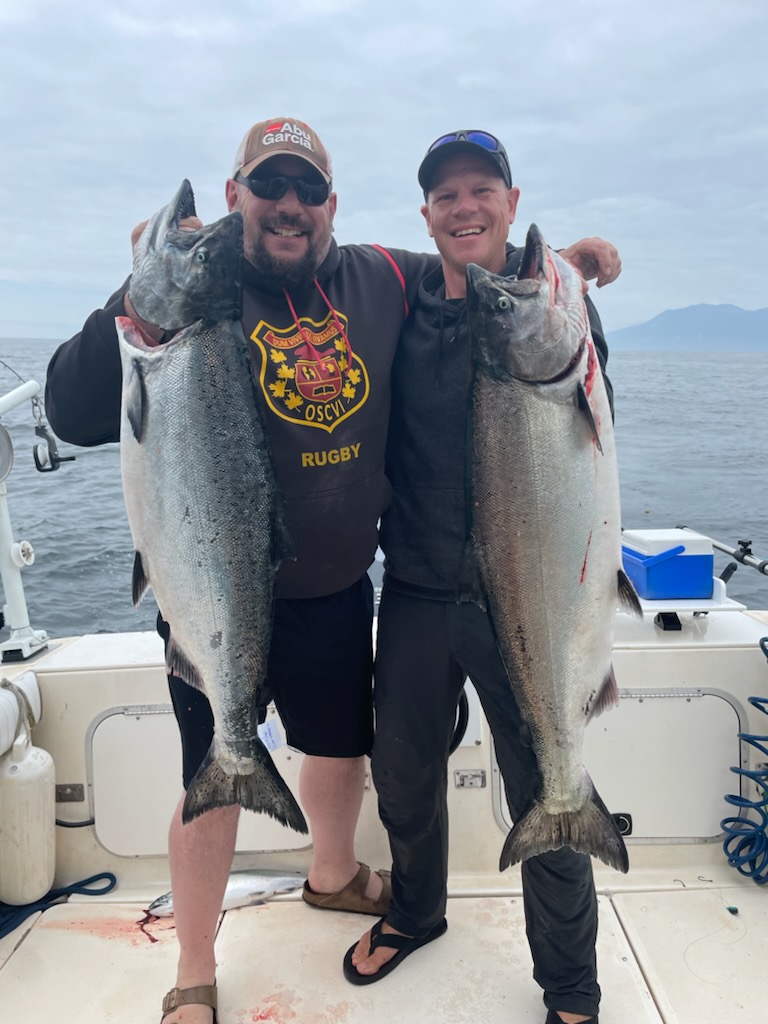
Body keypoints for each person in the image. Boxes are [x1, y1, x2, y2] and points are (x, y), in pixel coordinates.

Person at [44, 118, 620, 1024]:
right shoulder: (192, 292)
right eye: (269, 187)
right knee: (225, 772)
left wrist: (570, 268)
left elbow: (481, 272)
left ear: (332, 205)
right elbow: (72, 412)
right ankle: (194, 970)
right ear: (234, 197)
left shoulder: (383, 275)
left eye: (308, 190)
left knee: (350, 751)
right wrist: (136, 287)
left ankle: (342, 877)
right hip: (216, 588)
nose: (290, 205)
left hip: (344, 591)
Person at [345, 130, 612, 1024]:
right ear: (426, 214)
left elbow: (591, 426)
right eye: (446, 195)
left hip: (525, 596)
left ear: (512, 202)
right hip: (419, 588)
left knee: (547, 781)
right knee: (403, 772)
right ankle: (416, 912)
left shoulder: (557, 312)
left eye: (481, 190)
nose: (464, 207)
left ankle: (570, 987)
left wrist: (575, 267)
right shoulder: (402, 303)